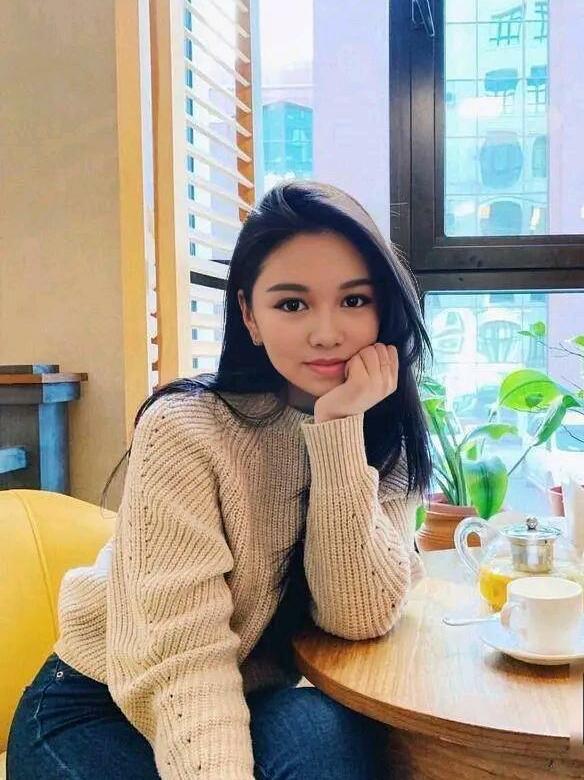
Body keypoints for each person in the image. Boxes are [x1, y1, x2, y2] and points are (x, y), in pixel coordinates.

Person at [7, 180, 432, 779]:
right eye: (292, 304)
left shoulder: (381, 433)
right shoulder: (186, 429)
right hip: (98, 704)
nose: (327, 332)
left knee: (330, 736)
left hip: (249, 696)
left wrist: (339, 431)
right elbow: (185, 659)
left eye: (354, 300)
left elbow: (356, 614)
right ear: (249, 316)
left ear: (383, 309)